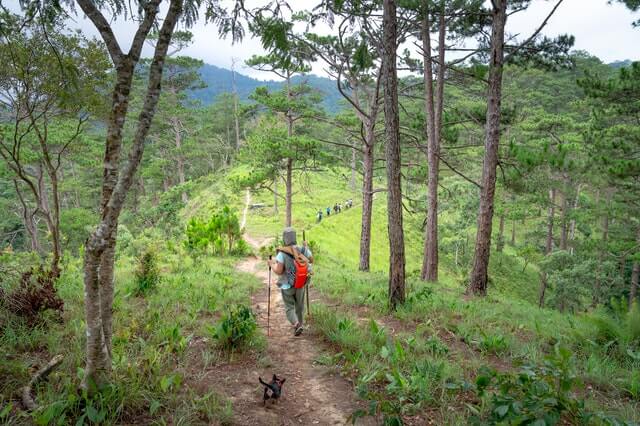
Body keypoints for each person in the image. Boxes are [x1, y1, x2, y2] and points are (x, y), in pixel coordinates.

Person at [268, 227, 313, 336]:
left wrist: (271, 265)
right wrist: (306, 247)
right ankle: (300, 325)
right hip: (301, 283)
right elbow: (311, 260)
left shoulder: (281, 253)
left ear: (284, 239)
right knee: (300, 306)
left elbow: (279, 271)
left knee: (289, 308)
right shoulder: (302, 250)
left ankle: (296, 324)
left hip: (287, 285)